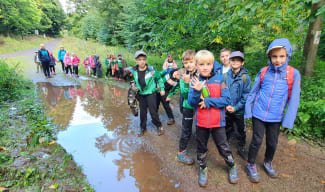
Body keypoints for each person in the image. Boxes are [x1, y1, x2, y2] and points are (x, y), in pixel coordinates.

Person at [245, 38, 301, 183]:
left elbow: (294, 99)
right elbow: (253, 91)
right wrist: (248, 110)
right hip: (259, 112)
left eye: (282, 56)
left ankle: (267, 162)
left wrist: (288, 121)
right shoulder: (264, 71)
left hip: (276, 116)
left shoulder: (293, 74)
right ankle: (250, 164)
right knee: (256, 140)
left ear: (288, 56)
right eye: (274, 56)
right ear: (269, 56)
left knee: (272, 143)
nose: (278, 60)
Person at [188, 50, 238, 187]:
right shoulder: (195, 81)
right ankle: (203, 168)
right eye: (201, 64)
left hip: (218, 122)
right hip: (201, 122)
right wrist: (197, 91)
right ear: (197, 65)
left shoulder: (220, 79)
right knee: (202, 146)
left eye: (208, 64)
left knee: (223, 146)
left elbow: (227, 100)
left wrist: (208, 101)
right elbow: (192, 103)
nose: (205, 67)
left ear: (212, 65)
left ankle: (232, 165)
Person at [126, 50, 165, 137]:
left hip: (151, 93)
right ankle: (142, 128)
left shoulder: (151, 70)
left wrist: (162, 88)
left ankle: (159, 126)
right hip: (142, 95)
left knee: (153, 112)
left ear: (146, 60)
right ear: (136, 60)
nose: (142, 61)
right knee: (142, 113)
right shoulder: (134, 71)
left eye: (143, 59)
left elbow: (159, 79)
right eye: (139, 59)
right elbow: (134, 81)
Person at [225, 51, 251, 161]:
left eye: (238, 60)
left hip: (239, 110)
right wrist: (226, 105)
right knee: (227, 127)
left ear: (242, 63)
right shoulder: (226, 75)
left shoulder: (246, 78)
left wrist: (235, 108)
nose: (235, 62)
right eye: (233, 60)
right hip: (227, 108)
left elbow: (246, 95)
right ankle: (225, 147)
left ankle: (241, 148)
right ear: (230, 62)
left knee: (241, 130)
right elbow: (223, 91)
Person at [176, 49, 197, 165]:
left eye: (191, 62)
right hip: (188, 106)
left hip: (199, 107)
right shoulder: (184, 76)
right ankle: (181, 152)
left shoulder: (201, 73)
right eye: (186, 62)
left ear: (196, 62)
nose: (188, 64)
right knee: (186, 130)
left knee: (201, 128)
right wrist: (187, 83)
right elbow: (184, 95)